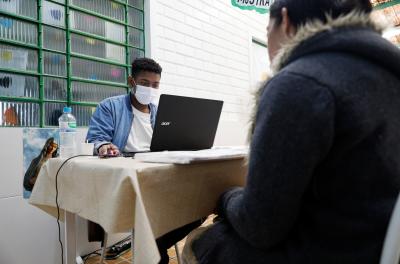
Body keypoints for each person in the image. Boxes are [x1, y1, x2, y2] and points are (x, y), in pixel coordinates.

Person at [182, 0, 400, 263]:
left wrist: (227, 197)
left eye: (267, 32)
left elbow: (260, 227)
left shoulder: (299, 82)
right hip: (379, 247)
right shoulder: (388, 74)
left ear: (284, 20)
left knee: (202, 241)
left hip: (328, 251)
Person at [87, 58, 201, 264]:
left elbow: (169, 144)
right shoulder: (110, 107)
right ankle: (154, 251)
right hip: (130, 177)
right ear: (132, 81)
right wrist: (104, 146)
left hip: (158, 173)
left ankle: (153, 247)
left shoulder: (161, 113)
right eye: (144, 83)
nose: (150, 89)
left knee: (200, 202)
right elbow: (98, 139)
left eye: (155, 85)